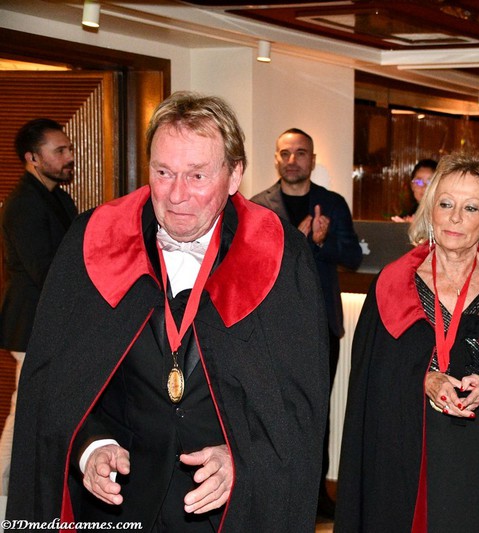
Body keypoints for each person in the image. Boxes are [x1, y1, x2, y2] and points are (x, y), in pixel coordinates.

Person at [6, 92, 329, 532]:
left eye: (197, 175)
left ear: (234, 175)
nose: (177, 195)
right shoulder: (94, 240)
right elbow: (57, 384)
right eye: (163, 172)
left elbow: (296, 405)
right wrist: (90, 445)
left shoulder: (279, 255)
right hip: (117, 504)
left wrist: (241, 457)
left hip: (223, 510)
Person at [336, 153, 479, 532]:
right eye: (446, 204)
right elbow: (370, 386)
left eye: (471, 207)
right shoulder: (392, 284)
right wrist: (424, 380)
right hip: (406, 448)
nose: (455, 217)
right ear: (430, 210)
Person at [250, 127, 362, 517]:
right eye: (285, 153)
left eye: (300, 153)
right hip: (272, 327)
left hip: (320, 326)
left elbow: (353, 256)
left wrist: (321, 242)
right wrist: (292, 244)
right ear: (276, 159)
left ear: (312, 160)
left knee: (317, 410)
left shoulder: (332, 203)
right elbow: (247, 265)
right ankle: (275, 490)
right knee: (271, 409)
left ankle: (315, 496)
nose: (292, 160)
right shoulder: (258, 206)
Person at [0, 118, 78, 497]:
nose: (69, 156)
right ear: (33, 158)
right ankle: (3, 491)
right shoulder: (22, 205)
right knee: (25, 411)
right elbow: (46, 271)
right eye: (59, 150)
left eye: (69, 148)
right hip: (31, 325)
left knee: (40, 409)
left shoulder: (59, 198)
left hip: (51, 324)